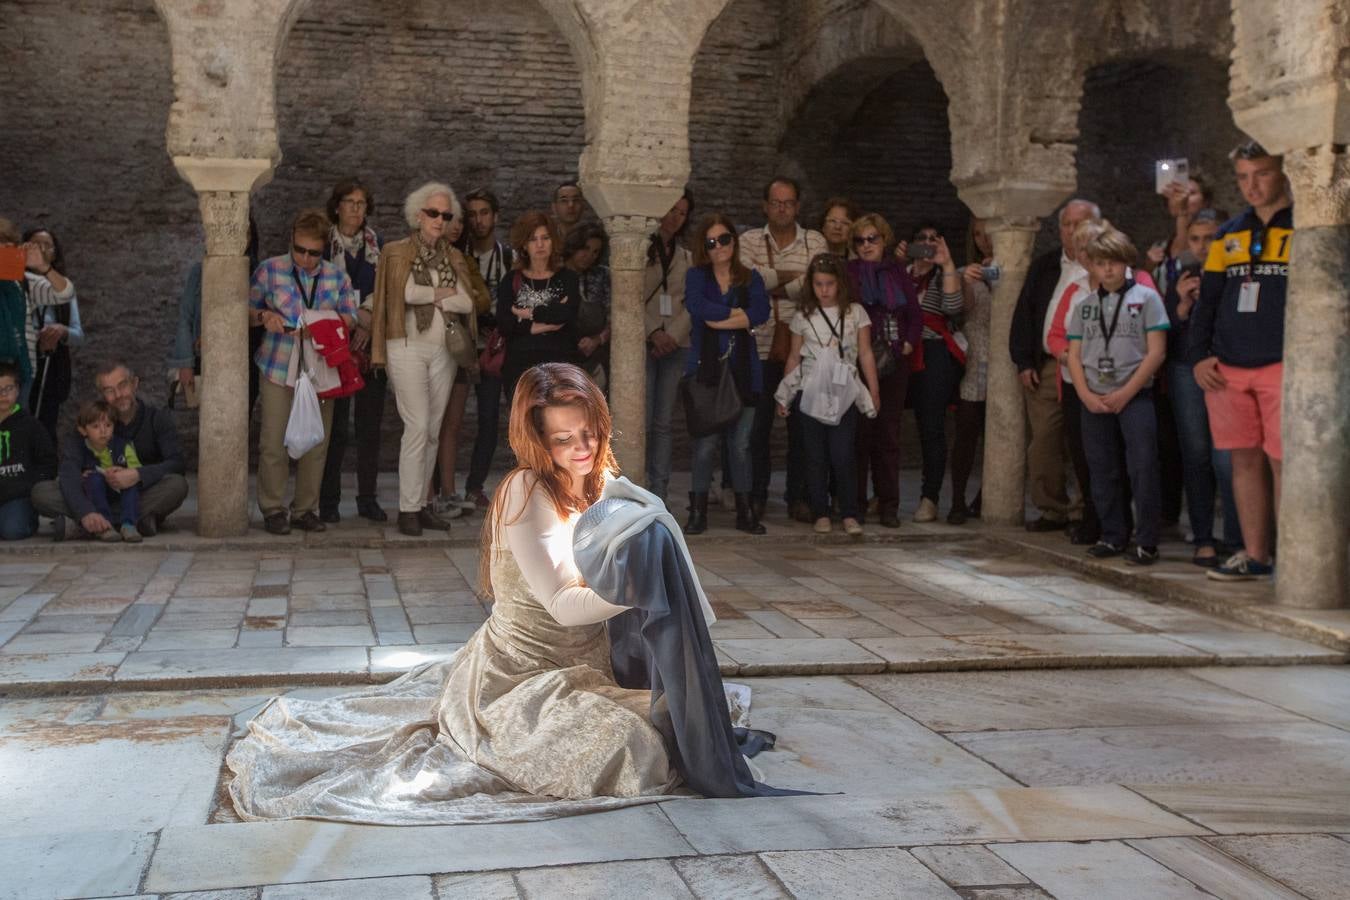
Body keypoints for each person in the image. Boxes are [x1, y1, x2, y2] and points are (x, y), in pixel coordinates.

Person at [226, 363, 789, 824]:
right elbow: (566, 605)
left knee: (701, 710)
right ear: (536, 439)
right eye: (564, 439)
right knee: (632, 750)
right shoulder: (524, 489)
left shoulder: (600, 479)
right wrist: (647, 586)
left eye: (589, 431)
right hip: (515, 679)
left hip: (587, 666)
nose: (582, 447)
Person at [1188, 140, 1292, 582]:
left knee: (1285, 461)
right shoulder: (1229, 233)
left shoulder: (1308, 226)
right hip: (1228, 367)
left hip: (1284, 363)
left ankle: (1298, 559)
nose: (1252, 185)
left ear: (1284, 172)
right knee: (1242, 461)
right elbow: (1208, 300)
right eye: (1243, 177)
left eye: (1262, 174)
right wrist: (1199, 356)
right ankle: (1255, 555)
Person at [369, 183, 477, 537]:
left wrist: (433, 298)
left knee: (432, 431)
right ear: (418, 215)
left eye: (446, 215)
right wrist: (441, 293)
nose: (440, 220)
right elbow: (400, 294)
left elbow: (467, 303)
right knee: (416, 427)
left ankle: (422, 505)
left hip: (443, 348)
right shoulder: (396, 252)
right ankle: (406, 509)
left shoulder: (454, 257)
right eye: (433, 213)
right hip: (405, 345)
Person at [250, 209, 359, 536]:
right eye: (299, 250)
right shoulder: (270, 270)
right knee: (273, 440)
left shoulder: (337, 278)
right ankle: (272, 508)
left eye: (313, 253)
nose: (305, 259)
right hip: (278, 364)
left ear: (323, 249)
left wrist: (322, 325)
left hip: (320, 369)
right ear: (291, 242)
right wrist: (263, 317)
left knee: (316, 440)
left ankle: (305, 509)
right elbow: (246, 309)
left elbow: (350, 319)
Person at [1067, 228, 1170, 565]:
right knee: (1102, 468)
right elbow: (1073, 354)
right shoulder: (1084, 306)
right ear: (1091, 267)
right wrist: (1084, 393)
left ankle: (1147, 539)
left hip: (1134, 394)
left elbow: (1156, 352)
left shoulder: (1146, 298)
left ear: (1126, 262)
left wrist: (1128, 392)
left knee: (1142, 466)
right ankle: (1112, 535)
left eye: (1114, 262)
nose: (1108, 269)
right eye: (1100, 264)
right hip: (1094, 396)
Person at [1009, 199, 1102, 532]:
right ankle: (1053, 508)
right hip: (1049, 366)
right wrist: (1023, 360)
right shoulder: (1046, 265)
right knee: (1045, 440)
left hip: (1095, 369)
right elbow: (1025, 313)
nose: (1074, 231)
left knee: (1086, 440)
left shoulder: (1108, 266)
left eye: (1082, 223)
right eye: (1067, 224)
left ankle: (1085, 510)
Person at [739, 177, 828, 522]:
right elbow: (747, 282)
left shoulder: (815, 240)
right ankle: (757, 496)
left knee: (802, 429)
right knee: (758, 428)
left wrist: (771, 282)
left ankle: (798, 498)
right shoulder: (749, 240)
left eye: (788, 202)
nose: (782, 208)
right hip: (759, 348)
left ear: (798, 206)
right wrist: (793, 277)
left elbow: (817, 285)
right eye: (776, 202)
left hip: (803, 348)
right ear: (765, 205)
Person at [775, 253, 879, 535]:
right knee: (815, 454)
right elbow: (794, 358)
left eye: (829, 284)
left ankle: (848, 512)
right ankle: (820, 511)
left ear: (840, 284)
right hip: (810, 390)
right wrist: (784, 395)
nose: (824, 290)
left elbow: (866, 353)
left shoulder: (855, 313)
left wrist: (873, 389)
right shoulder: (803, 315)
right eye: (819, 284)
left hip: (844, 389)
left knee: (843, 453)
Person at [1161, 208, 1241, 566]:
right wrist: (1180, 305)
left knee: (1229, 458)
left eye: (1210, 237)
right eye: (1195, 239)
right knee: (1195, 455)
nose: (1203, 246)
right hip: (1185, 369)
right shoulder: (1184, 273)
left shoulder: (1235, 272)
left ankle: (1239, 539)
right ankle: (1204, 537)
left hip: (1226, 368)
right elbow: (1165, 331)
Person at [31, 361, 189, 539]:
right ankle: (130, 521)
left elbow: (176, 464)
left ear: (135, 384)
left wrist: (137, 474)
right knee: (41, 492)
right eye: (109, 390)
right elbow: (69, 470)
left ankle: (89, 526)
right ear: (102, 395)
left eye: (123, 385)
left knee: (177, 485)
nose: (118, 395)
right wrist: (85, 511)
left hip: (136, 493)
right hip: (94, 494)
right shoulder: (90, 422)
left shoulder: (157, 419)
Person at [683, 214, 770, 535]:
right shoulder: (697, 277)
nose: (719, 246)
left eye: (724, 239)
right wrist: (737, 315)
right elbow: (697, 308)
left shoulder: (751, 278)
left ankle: (745, 512)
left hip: (745, 371)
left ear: (734, 241)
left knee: (740, 445)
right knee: (705, 445)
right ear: (703, 247)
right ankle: (697, 511)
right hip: (706, 371)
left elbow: (761, 313)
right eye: (711, 242)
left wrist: (726, 318)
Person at [317, 178, 388, 525]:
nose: (357, 209)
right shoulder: (324, 244)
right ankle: (328, 500)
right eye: (350, 202)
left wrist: (368, 320)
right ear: (337, 206)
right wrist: (350, 320)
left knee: (369, 424)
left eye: (362, 203)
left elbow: (386, 287)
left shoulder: (378, 246)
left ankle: (367, 498)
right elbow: (320, 289)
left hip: (370, 340)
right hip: (336, 341)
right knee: (336, 426)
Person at [846, 213, 919, 528]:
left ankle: (889, 504)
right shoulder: (849, 273)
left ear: (884, 240)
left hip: (893, 356)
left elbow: (914, 313)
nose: (866, 245)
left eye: (872, 239)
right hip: (860, 359)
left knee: (888, 434)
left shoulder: (897, 272)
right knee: (860, 435)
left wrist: (908, 342)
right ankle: (857, 503)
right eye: (860, 240)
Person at [430, 211, 492, 520]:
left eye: (458, 220)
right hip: (427, 346)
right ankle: (425, 496)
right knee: (427, 424)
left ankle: (448, 491)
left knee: (451, 425)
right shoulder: (419, 257)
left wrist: (452, 294)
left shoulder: (465, 261)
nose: (455, 226)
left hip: (459, 346)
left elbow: (480, 301)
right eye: (448, 219)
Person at [169, 217, 264, 419]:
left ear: (250, 237)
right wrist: (185, 362)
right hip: (208, 355)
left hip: (247, 358)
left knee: (240, 417)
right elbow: (186, 317)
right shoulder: (199, 272)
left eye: (242, 233)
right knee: (213, 417)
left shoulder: (260, 273)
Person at [906, 222, 965, 523]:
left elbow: (953, 308)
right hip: (901, 352)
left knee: (931, 427)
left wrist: (948, 264)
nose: (927, 244)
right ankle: (881, 494)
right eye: (922, 239)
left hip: (934, 354)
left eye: (934, 239)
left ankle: (929, 498)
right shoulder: (900, 275)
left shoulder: (945, 276)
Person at [496, 211, 581, 406]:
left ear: (553, 241)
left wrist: (530, 313)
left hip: (560, 365)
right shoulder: (511, 280)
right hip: (520, 366)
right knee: (525, 429)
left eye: (545, 237)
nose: (540, 244)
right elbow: (504, 324)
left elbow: (566, 315)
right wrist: (539, 327)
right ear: (524, 245)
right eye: (533, 239)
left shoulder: (568, 278)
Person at [462, 188, 514, 509]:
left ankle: (474, 486)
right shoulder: (457, 253)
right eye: (472, 214)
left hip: (495, 348)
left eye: (484, 213)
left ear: (495, 216)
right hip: (461, 345)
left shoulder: (508, 257)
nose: (478, 220)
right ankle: (449, 490)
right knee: (447, 421)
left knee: (489, 417)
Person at [643, 190, 694, 505]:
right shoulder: (639, 250)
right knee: (643, 419)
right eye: (671, 209)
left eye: (682, 212)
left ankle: (659, 490)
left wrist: (673, 334)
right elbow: (627, 296)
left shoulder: (687, 257)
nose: (675, 217)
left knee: (664, 422)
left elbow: (693, 301)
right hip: (645, 343)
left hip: (676, 344)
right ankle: (636, 483)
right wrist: (653, 332)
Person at [0, 218, 74, 408]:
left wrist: (44, 267)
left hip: (20, 373)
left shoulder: (22, 281)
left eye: (10, 246)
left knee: (16, 432)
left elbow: (65, 292)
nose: (5, 252)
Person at [950, 216, 995, 525]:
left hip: (1004, 361)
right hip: (974, 356)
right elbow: (959, 311)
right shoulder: (966, 273)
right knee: (966, 432)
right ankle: (956, 501)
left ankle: (985, 499)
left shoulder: (1016, 273)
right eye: (977, 234)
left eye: (988, 233)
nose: (983, 240)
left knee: (998, 435)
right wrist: (967, 281)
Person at [22, 228, 84, 440]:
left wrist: (62, 331)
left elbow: (79, 335)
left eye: (46, 246)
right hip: (22, 363)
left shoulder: (63, 286)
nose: (40, 250)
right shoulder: (15, 282)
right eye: (34, 245)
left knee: (46, 421)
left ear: (55, 253)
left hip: (52, 365)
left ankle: (45, 469)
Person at [68, 400, 144, 543]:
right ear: (83, 430)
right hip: (93, 497)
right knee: (94, 478)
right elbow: (70, 476)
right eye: (96, 426)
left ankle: (128, 525)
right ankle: (104, 525)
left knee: (130, 483)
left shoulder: (123, 446)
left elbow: (138, 471)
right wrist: (82, 477)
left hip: (120, 494)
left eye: (108, 425)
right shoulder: (80, 449)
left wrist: (124, 472)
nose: (103, 431)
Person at [0, 361, 55, 540]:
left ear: (18, 389)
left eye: (8, 388)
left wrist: (31, 487)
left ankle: (28, 518)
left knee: (12, 530)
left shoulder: (30, 425)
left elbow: (48, 462)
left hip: (19, 495)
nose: (3, 395)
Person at [563, 222, 612, 388]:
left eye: (595, 252)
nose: (589, 256)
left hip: (596, 358)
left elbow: (616, 317)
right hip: (561, 358)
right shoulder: (555, 274)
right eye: (585, 248)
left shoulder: (602, 275)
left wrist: (597, 339)